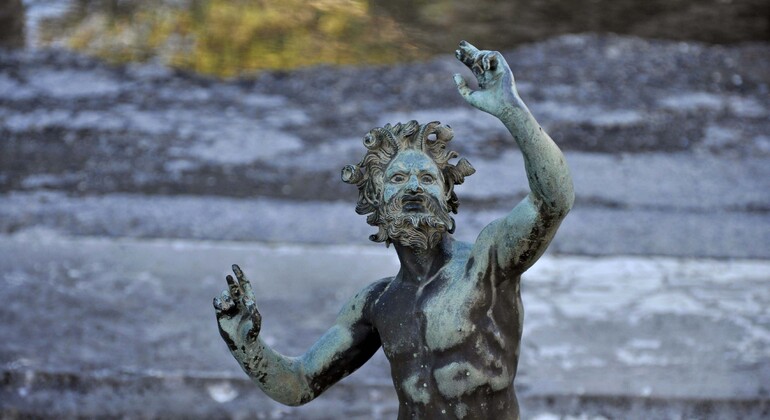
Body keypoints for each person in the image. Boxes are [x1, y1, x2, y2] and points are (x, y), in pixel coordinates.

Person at [213, 41, 574, 419]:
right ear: (375, 198)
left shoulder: (486, 264)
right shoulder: (376, 304)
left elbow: (553, 201)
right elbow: (299, 383)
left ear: (447, 192)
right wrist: (245, 345)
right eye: (398, 178)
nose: (414, 187)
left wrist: (511, 109)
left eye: (426, 178)